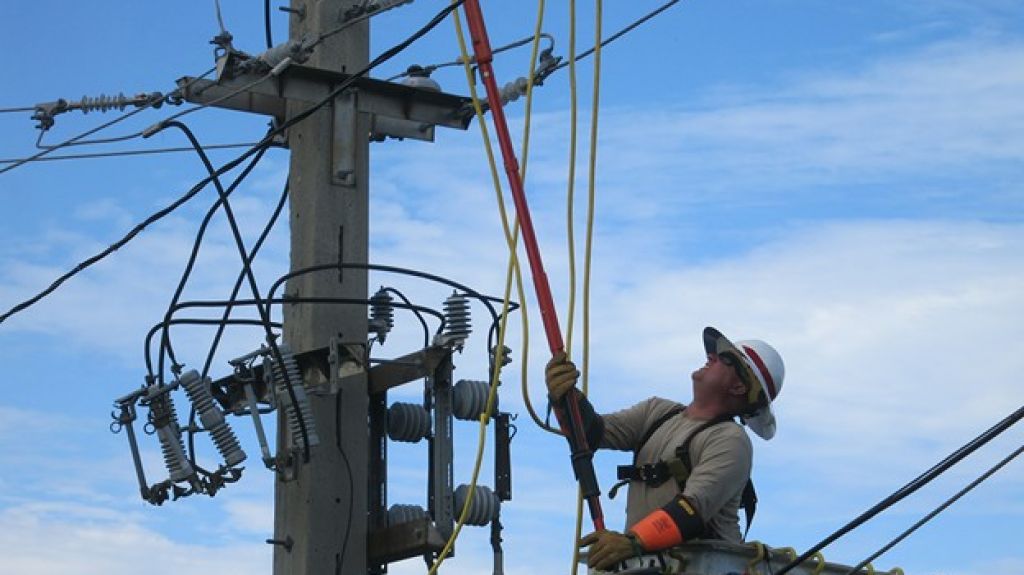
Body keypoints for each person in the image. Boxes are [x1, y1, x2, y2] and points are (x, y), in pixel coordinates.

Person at [545, 326, 785, 571]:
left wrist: (631, 542)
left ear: (739, 387)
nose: (710, 357)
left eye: (724, 358)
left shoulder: (730, 440)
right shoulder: (657, 412)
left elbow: (691, 510)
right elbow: (591, 434)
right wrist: (565, 398)